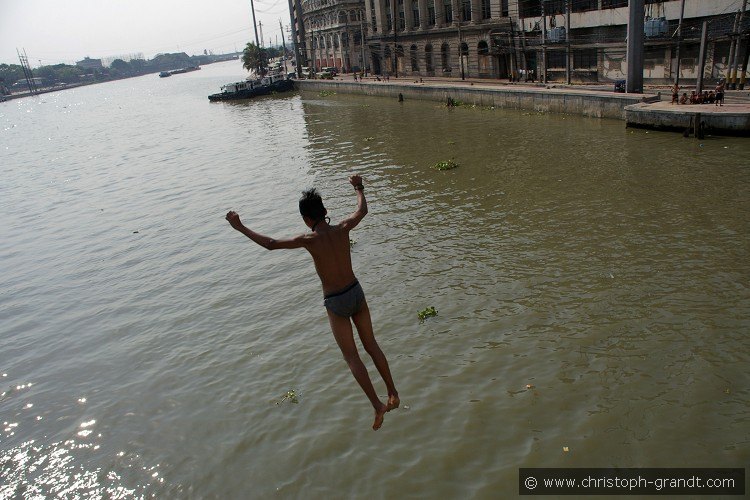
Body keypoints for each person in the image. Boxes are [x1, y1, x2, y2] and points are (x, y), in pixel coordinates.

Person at [225, 175, 399, 430]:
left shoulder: (308, 240)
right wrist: (358, 187)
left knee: (352, 357)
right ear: (325, 211)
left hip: (336, 302)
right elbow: (362, 210)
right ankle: (393, 392)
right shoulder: (342, 228)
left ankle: (377, 405)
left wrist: (240, 227)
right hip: (356, 292)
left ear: (306, 219)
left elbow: (271, 244)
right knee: (371, 344)